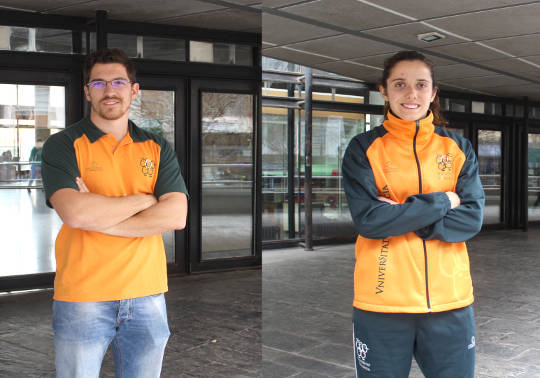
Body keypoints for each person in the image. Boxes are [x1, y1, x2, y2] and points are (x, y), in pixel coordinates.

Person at [41, 48, 188, 378]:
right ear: (87, 91)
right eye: (99, 83)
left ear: (134, 90)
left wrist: (100, 217)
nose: (109, 90)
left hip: (147, 295)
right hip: (83, 296)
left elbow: (176, 216)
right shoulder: (64, 145)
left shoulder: (157, 147)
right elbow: (76, 213)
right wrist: (144, 199)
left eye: (119, 82)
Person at [343, 51, 485, 378]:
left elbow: (471, 219)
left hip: (451, 302)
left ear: (433, 93)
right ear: (384, 90)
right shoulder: (363, 148)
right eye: (400, 84)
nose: (412, 94)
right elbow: (370, 221)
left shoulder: (458, 148)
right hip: (382, 304)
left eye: (421, 85)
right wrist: (443, 202)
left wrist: (403, 215)